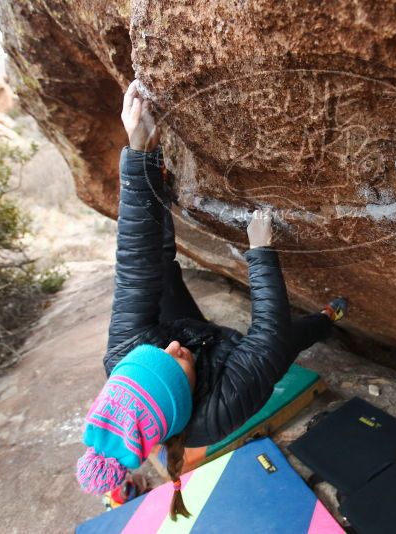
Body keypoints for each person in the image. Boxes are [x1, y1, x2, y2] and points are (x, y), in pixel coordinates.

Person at [75, 81, 347, 519]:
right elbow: (267, 336)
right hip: (233, 363)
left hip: (199, 343)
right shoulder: (219, 410)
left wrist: (142, 157)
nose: (170, 350)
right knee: (292, 339)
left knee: (158, 272)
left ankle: (160, 179)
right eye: (172, 363)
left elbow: (134, 267)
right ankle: (327, 318)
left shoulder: (128, 354)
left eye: (156, 354)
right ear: (182, 399)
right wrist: (260, 255)